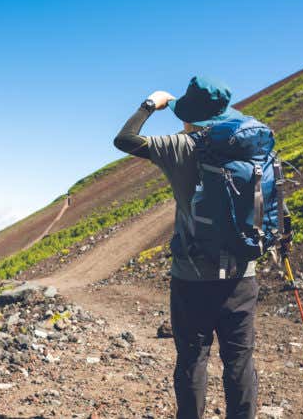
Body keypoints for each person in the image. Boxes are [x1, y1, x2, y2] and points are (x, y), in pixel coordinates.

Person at [113, 76, 259, 419]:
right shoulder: (247, 146)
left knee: (193, 358)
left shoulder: (179, 146)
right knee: (240, 361)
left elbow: (124, 139)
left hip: (191, 275)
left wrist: (151, 103)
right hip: (242, 275)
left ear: (188, 114)